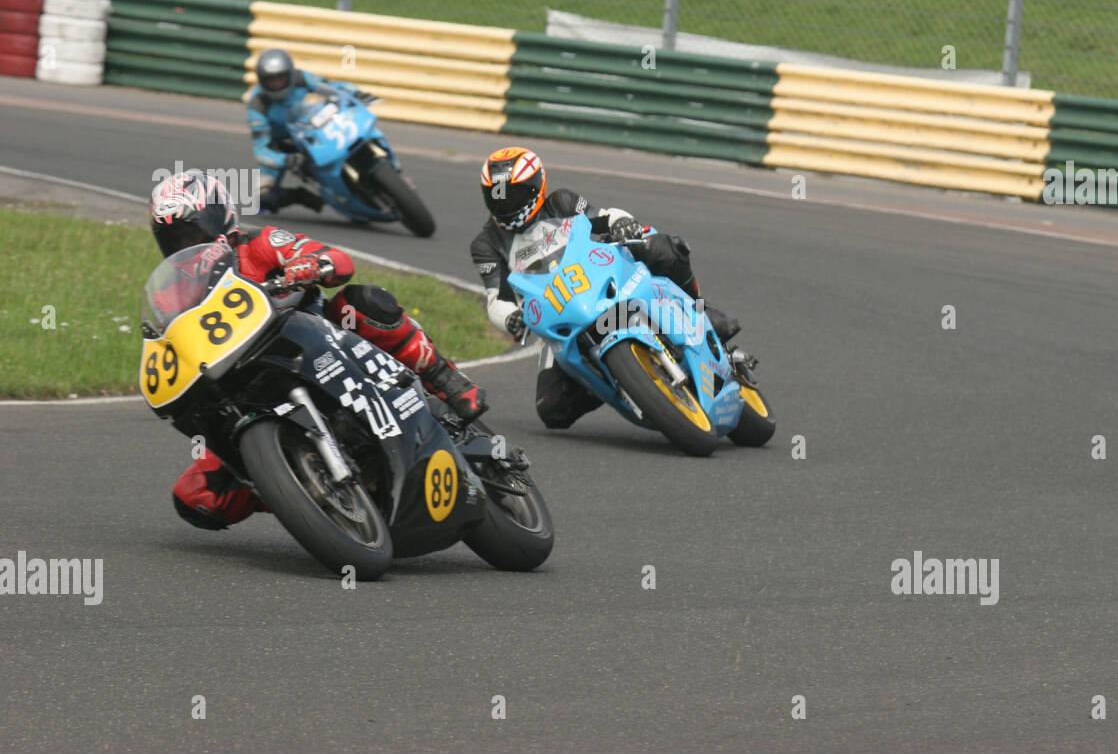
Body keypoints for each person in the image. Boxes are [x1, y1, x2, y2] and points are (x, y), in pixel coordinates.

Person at [149, 168, 485, 531]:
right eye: (174, 239)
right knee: (195, 496)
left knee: (361, 304)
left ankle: (445, 378)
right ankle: (301, 487)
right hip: (246, 380)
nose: (186, 244)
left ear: (220, 217)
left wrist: (310, 265)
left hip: (317, 342)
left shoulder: (258, 243)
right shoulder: (175, 290)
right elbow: (169, 337)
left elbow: (335, 259)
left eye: (192, 231)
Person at [469, 146, 740, 430]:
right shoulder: (486, 244)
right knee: (552, 409)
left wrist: (621, 222)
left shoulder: (561, 201)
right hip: (560, 313)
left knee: (664, 247)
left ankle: (702, 310)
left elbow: (604, 216)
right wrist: (510, 317)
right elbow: (496, 298)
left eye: (511, 194)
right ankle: (622, 381)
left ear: (536, 186)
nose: (503, 203)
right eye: (495, 195)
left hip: (601, 275)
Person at [246, 48, 377, 213]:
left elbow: (331, 86)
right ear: (262, 80)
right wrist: (285, 159)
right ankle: (301, 196)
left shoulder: (301, 78)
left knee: (363, 130)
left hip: (312, 128)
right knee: (259, 198)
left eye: (282, 77)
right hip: (285, 146)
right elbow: (261, 149)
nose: (277, 83)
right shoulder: (257, 105)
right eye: (272, 80)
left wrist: (355, 93)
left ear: (290, 74)